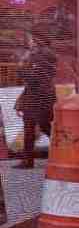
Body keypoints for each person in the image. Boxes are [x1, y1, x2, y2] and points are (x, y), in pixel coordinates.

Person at [13, 27, 56, 170]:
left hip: (39, 96)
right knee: (36, 127)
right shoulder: (41, 54)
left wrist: (20, 67)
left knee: (40, 127)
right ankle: (28, 160)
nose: (29, 41)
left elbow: (34, 78)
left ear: (37, 39)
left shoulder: (42, 56)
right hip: (39, 96)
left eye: (30, 38)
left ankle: (28, 161)